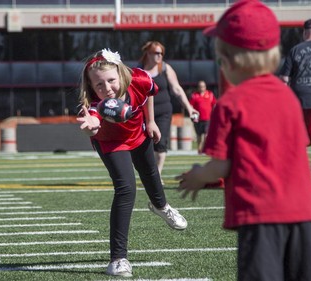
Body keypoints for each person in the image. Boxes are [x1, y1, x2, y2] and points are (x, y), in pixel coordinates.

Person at [176, 1, 311, 281]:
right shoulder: (288, 98)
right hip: (301, 213)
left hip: (259, 215)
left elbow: (220, 166)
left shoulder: (230, 103)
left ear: (228, 62)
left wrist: (197, 176)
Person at [76, 48, 187, 277]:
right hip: (110, 142)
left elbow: (149, 94)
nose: (107, 89)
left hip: (138, 133)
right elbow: (93, 123)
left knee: (150, 173)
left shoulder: (139, 78)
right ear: (91, 87)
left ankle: (161, 206)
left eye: (111, 81)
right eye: (99, 85)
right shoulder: (95, 104)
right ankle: (118, 259)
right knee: (126, 189)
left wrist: (152, 121)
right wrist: (91, 127)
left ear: (121, 73)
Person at [139, 41, 199, 184]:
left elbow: (177, 89)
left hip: (163, 111)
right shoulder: (139, 71)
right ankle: (149, 171)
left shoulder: (165, 68)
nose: (160, 56)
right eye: (156, 53)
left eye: (161, 53)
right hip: (145, 112)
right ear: (148, 54)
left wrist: (189, 108)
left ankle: (157, 173)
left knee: (161, 142)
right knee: (145, 144)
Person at [279, 18, 311, 168]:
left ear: (305, 33)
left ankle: (297, 180)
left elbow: (284, 79)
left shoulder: (295, 50)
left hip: (301, 101)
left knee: (298, 142)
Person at [189, 80, 217, 154]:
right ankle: (199, 148)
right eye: (200, 86)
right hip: (197, 118)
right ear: (198, 87)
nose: (202, 88)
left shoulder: (210, 94)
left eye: (203, 86)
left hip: (207, 118)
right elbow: (190, 105)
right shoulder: (194, 95)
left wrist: (214, 113)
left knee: (206, 134)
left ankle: (204, 148)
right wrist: (191, 114)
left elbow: (214, 104)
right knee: (198, 135)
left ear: (205, 87)